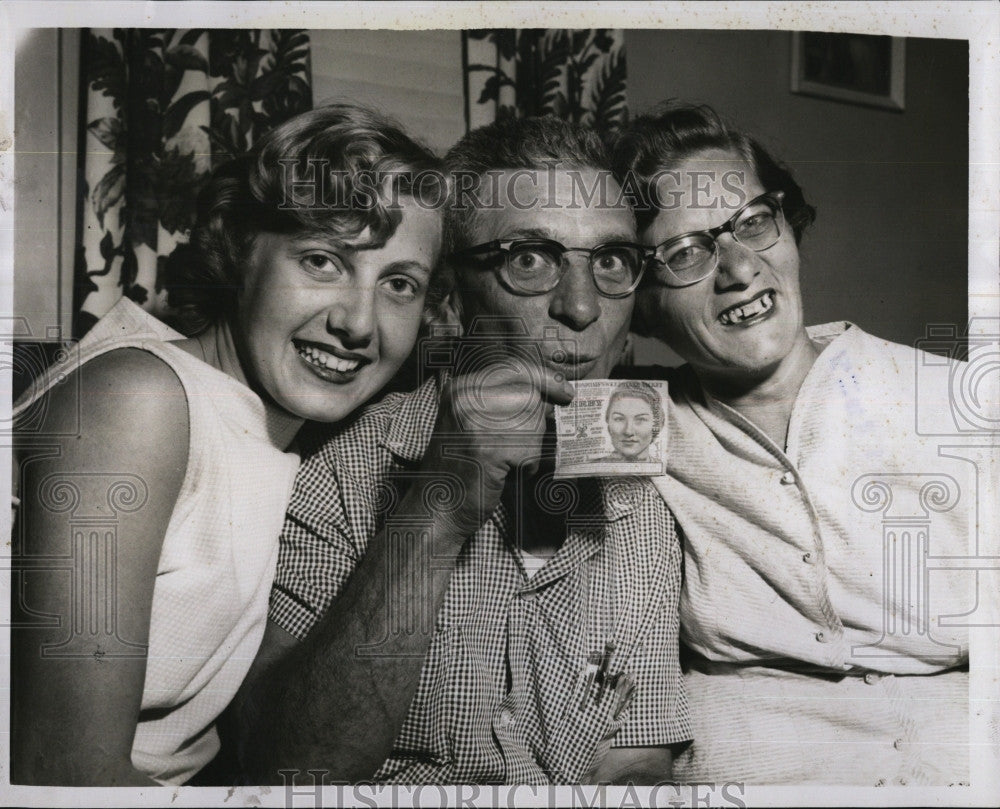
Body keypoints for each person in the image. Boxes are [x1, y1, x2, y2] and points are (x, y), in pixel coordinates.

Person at [237, 115, 692, 785]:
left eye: (610, 261)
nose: (581, 306)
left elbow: (635, 762)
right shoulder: (336, 468)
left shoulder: (643, 502)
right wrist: (442, 502)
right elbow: (292, 773)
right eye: (529, 259)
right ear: (448, 300)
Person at [10, 103, 447, 786]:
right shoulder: (139, 400)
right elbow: (66, 772)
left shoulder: (296, 436)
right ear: (241, 250)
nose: (358, 323)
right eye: (323, 260)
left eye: (399, 283)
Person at [612, 102, 971, 785]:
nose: (739, 267)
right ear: (646, 303)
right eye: (686, 252)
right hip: (751, 768)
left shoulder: (954, 400)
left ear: (790, 228)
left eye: (753, 221)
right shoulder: (634, 419)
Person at [599, 381, 663, 462]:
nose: (628, 432)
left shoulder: (669, 473)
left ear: (657, 425)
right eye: (619, 419)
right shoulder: (591, 466)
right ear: (608, 425)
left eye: (641, 419)